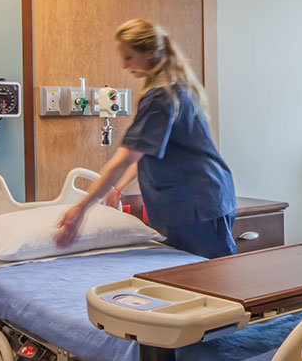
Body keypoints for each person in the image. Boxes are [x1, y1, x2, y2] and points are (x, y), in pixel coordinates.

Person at [55, 18, 237, 259]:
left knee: (212, 277)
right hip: (196, 200)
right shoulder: (172, 87)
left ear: (150, 52)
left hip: (197, 202)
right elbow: (146, 151)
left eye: (129, 57)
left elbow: (125, 157)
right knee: (196, 277)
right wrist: (118, 188)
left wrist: (80, 208)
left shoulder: (161, 94)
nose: (123, 65)